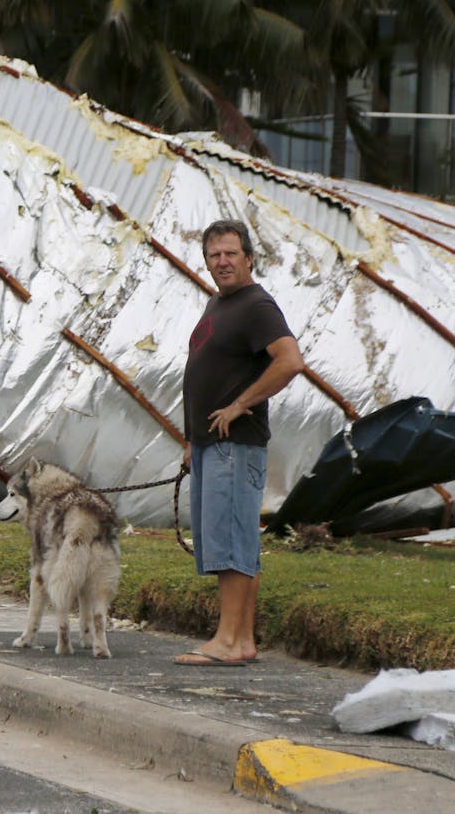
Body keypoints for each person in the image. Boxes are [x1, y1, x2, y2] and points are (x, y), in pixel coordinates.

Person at [175, 219, 304, 667]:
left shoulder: (256, 306)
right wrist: (193, 438)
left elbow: (289, 362)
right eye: (215, 255)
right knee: (236, 542)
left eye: (231, 253)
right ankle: (243, 640)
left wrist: (239, 405)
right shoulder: (220, 303)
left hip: (235, 443)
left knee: (230, 542)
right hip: (210, 444)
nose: (223, 262)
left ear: (249, 258)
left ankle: (227, 641)